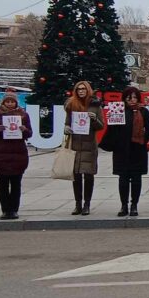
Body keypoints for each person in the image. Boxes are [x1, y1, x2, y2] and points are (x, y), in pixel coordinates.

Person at [99, 87, 149, 217]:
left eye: (135, 97)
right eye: (129, 97)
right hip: (122, 150)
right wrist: (110, 119)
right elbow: (113, 130)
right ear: (125, 98)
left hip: (137, 150)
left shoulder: (143, 111)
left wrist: (142, 141)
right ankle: (124, 205)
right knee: (123, 179)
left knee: (136, 179)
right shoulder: (118, 109)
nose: (132, 100)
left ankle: (134, 205)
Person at [0, 92, 32, 219]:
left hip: (18, 154)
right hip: (1, 154)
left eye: (12, 101)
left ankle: (14, 209)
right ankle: (5, 210)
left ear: (16, 102)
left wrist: (24, 130)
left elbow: (29, 133)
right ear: (3, 102)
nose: (10, 104)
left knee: (16, 184)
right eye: (7, 101)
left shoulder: (23, 114)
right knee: (3, 184)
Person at [64, 81, 103, 215]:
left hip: (89, 145)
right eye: (78, 89)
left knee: (88, 176)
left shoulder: (95, 105)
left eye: (83, 89)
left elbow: (100, 126)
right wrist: (66, 128)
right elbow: (67, 123)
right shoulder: (71, 105)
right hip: (75, 145)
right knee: (76, 177)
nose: (81, 91)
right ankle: (78, 203)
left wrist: (94, 119)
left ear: (88, 90)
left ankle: (87, 204)